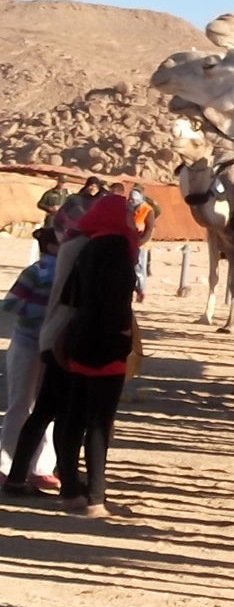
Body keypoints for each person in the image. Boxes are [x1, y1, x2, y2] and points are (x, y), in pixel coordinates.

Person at [46, 193, 138, 518]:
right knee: (99, 423)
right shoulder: (118, 249)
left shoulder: (86, 247)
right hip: (107, 344)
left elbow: (74, 296)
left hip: (78, 340)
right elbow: (115, 303)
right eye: (126, 212)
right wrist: (125, 337)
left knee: (73, 418)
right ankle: (96, 499)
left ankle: (70, 492)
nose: (131, 218)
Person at [0, 228, 62, 494]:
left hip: (53, 346)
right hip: (27, 343)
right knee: (20, 405)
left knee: (47, 408)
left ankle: (42, 468)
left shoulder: (71, 270)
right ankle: (6, 465)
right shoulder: (36, 272)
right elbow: (11, 304)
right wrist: (40, 314)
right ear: (50, 245)